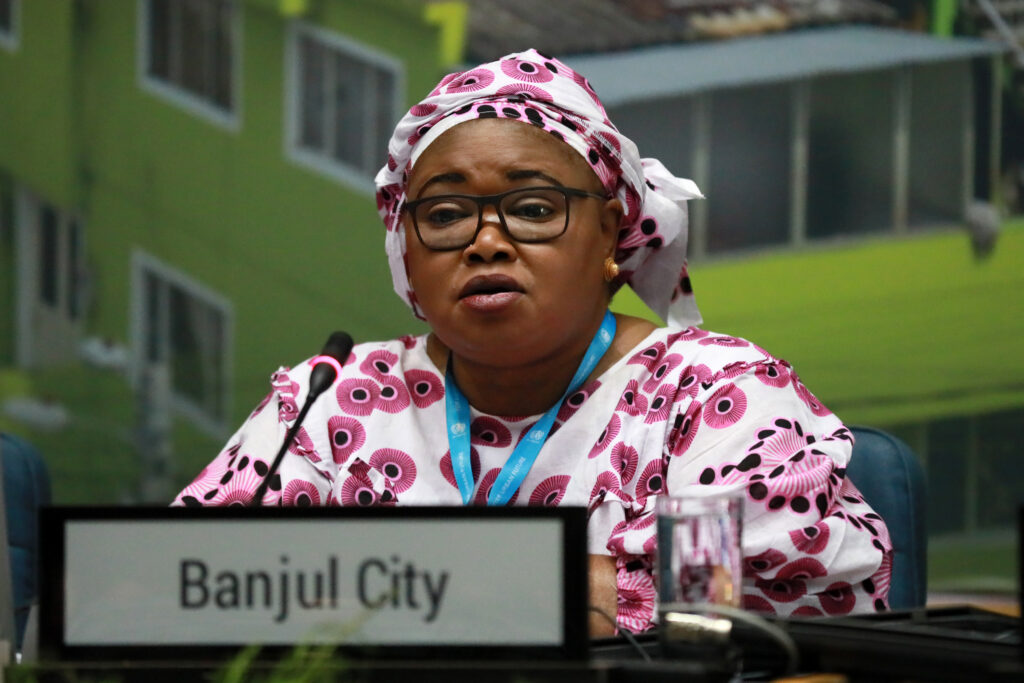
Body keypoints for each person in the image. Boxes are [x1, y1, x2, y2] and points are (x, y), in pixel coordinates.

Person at [173, 49, 891, 636]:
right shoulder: (332, 399)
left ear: (610, 232)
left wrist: (385, 590)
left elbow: (785, 599)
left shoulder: (711, 394)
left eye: (533, 208)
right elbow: (187, 580)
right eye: (446, 214)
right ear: (407, 254)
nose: (486, 241)